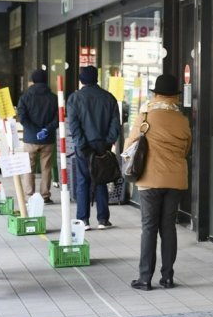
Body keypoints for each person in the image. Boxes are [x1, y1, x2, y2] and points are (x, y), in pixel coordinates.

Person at [125, 74, 191, 291]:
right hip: (175, 180)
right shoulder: (182, 120)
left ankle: (145, 278)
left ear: (156, 94)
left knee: (149, 227)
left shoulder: (146, 115)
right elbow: (186, 149)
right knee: (168, 227)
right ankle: (168, 277)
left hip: (150, 179)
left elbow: (131, 144)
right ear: (175, 97)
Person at [67, 66, 120, 231]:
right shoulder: (109, 98)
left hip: (84, 147)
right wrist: (107, 143)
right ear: (96, 78)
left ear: (82, 80)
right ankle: (103, 219)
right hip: (102, 146)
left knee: (83, 181)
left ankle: (83, 220)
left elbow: (74, 126)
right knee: (101, 180)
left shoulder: (75, 98)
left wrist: (83, 145)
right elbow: (115, 124)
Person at [17, 69, 59, 204]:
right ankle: (45, 196)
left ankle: (29, 196)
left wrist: (35, 131)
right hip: (48, 138)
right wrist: (46, 129)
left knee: (28, 168)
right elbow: (58, 118)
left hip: (30, 139)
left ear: (33, 81)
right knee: (46, 168)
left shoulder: (25, 97)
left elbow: (22, 118)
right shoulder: (53, 97)